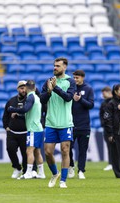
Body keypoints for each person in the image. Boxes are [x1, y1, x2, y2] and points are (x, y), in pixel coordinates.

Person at [40, 57, 76, 188]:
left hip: (66, 123)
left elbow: (68, 98)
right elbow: (41, 100)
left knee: (65, 150)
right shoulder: (48, 81)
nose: (55, 68)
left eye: (58, 66)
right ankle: (55, 173)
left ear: (64, 67)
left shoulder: (70, 81)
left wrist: (55, 88)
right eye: (54, 65)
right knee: (48, 152)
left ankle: (63, 180)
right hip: (51, 122)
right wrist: (49, 91)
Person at [7, 80, 46, 179]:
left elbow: (25, 109)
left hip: (33, 128)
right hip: (38, 128)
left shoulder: (31, 97)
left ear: (28, 88)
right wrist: (18, 116)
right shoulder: (37, 97)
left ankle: (28, 172)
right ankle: (41, 173)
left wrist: (13, 109)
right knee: (37, 151)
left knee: (29, 151)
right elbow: (29, 115)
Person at [68, 70, 94, 179]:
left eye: (77, 78)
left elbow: (91, 105)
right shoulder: (70, 89)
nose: (75, 80)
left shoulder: (88, 89)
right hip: (70, 124)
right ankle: (71, 166)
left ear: (82, 77)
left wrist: (80, 100)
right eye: (74, 77)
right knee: (68, 148)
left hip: (84, 125)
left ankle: (81, 170)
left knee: (83, 149)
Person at [2, 80, 30, 179]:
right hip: (13, 131)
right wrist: (6, 126)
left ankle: (26, 171)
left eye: (25, 88)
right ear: (18, 89)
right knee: (10, 149)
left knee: (25, 153)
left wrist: (19, 114)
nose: (23, 90)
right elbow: (5, 115)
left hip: (26, 131)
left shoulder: (30, 100)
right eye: (21, 88)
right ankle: (17, 167)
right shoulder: (11, 101)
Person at [100, 86, 113, 171]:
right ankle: (111, 163)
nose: (102, 95)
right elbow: (101, 115)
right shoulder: (104, 103)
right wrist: (103, 123)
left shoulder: (113, 102)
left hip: (114, 128)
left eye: (103, 93)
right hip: (106, 129)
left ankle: (115, 163)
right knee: (109, 146)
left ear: (108, 92)